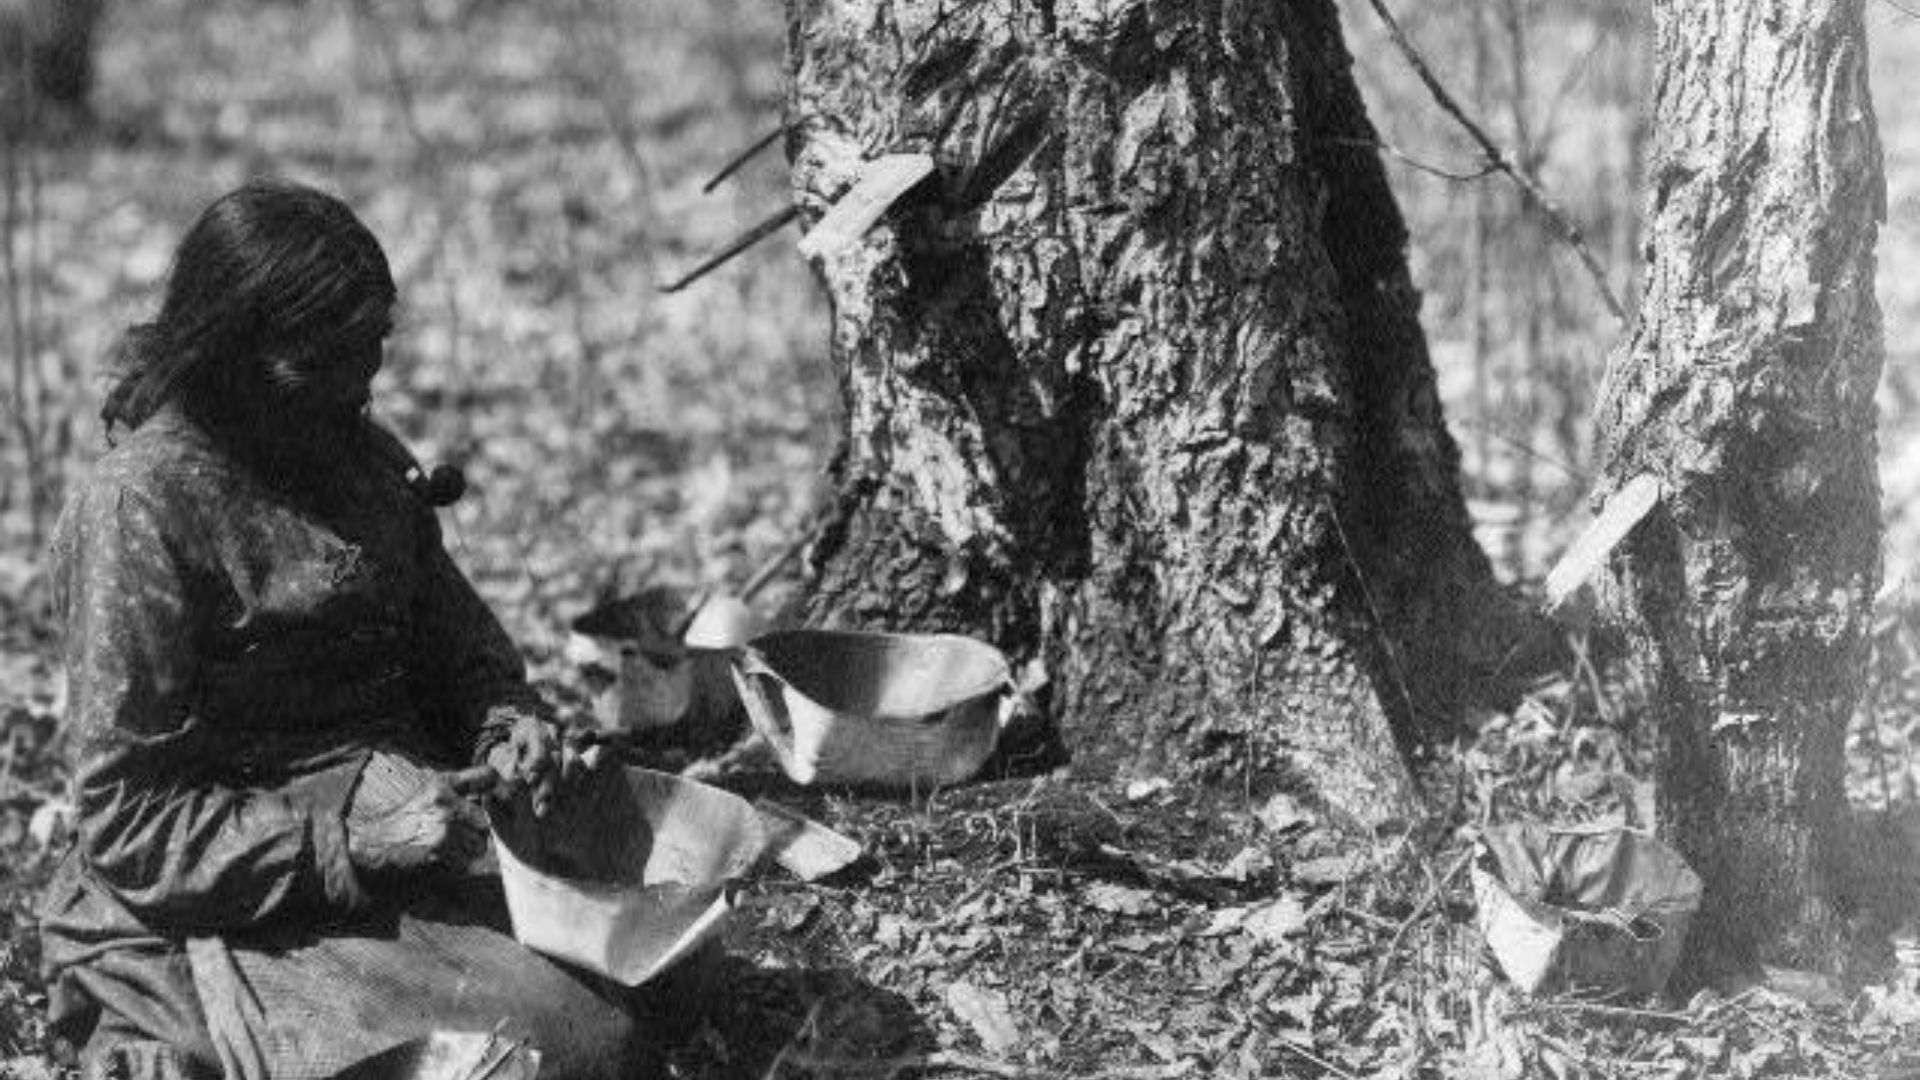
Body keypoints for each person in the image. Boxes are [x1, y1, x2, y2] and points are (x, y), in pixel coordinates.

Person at [38, 179, 662, 1080]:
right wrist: (343, 845)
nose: (359, 385)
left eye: (371, 349)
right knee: (561, 1053)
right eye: (324, 362)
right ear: (231, 354)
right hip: (247, 889)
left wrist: (506, 726)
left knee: (663, 966)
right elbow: (129, 817)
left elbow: (462, 654)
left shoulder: (357, 453)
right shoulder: (141, 505)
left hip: (411, 829)